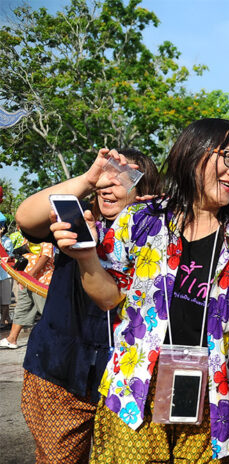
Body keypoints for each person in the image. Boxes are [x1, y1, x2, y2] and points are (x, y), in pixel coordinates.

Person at [50, 118, 229, 463]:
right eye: (228, 158)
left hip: (213, 391)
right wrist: (86, 257)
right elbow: (108, 296)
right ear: (193, 152)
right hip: (134, 389)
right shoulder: (140, 219)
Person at [14, 148, 161, 463]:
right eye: (103, 179)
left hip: (131, 382)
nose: (109, 186)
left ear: (146, 192)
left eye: (124, 179)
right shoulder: (74, 221)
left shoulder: (160, 234)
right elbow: (25, 217)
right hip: (58, 371)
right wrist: (85, 179)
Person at [0, 237, 54, 349]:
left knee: (47, 311)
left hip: (41, 280)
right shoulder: (29, 235)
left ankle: (58, 340)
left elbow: (45, 257)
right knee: (22, 308)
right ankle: (12, 339)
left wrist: (30, 275)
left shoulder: (45, 236)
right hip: (26, 278)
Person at [0, 212, 13, 329]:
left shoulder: (7, 241)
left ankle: (4, 321)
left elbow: (6, 256)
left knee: (5, 300)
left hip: (4, 275)